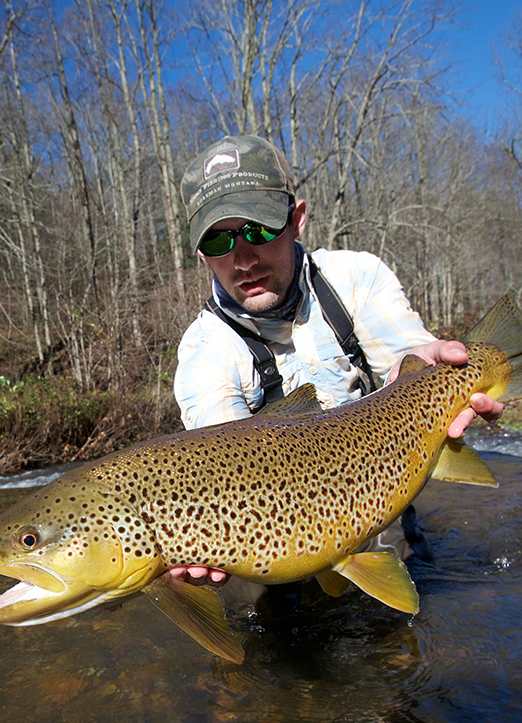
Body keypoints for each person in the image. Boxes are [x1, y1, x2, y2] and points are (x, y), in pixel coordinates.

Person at [169, 134, 503, 593]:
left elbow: (403, 361)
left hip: (380, 502)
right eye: (219, 239)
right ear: (201, 251)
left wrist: (427, 368)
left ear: (296, 220)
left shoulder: (355, 277)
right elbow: (224, 464)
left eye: (259, 229)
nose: (243, 258)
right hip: (274, 542)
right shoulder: (204, 352)